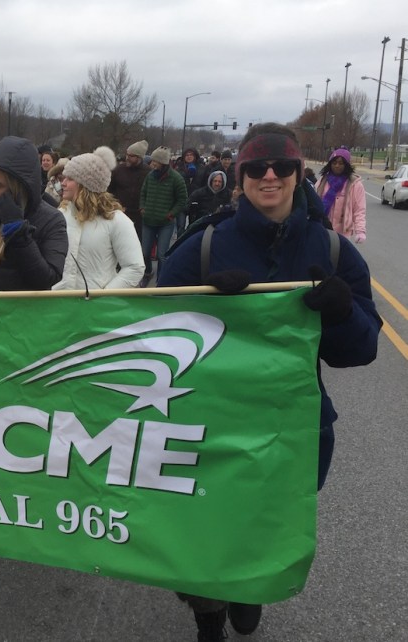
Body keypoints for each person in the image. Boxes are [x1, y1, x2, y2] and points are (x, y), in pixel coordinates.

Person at [158, 123, 381, 642]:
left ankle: (249, 589)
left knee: (264, 526)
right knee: (207, 524)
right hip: (210, 420)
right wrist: (201, 300)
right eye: (256, 167)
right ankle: (206, 610)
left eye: (282, 166)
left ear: (299, 173)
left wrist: (342, 313)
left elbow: (364, 349)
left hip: (293, 426)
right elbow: (151, 321)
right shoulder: (207, 245)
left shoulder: (332, 251)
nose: (270, 176)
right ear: (241, 176)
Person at [0, 135, 67, 290]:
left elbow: (48, 279)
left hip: (23, 313)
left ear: (19, 189)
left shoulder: (52, 221)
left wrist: (18, 233)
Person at [52, 146, 144, 290]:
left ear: (86, 185)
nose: (62, 183)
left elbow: (134, 267)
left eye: (70, 179)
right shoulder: (60, 215)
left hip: (96, 307)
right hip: (59, 304)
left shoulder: (116, 220)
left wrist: (103, 296)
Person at [138, 146, 187, 287]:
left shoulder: (176, 178)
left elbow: (182, 199)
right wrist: (142, 207)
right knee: (145, 252)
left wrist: (172, 214)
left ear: (163, 163)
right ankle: (148, 273)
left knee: (162, 255)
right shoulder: (150, 176)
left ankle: (162, 279)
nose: (152, 164)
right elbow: (143, 192)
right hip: (148, 221)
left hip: (165, 223)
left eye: (155, 161)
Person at [315, 148, 366, 244]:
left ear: (346, 165)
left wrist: (360, 231)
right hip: (322, 230)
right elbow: (314, 204)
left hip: (343, 234)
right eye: (334, 163)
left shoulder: (354, 184)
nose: (337, 166)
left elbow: (359, 211)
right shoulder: (322, 181)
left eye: (341, 163)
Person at [109, 139, 151, 241]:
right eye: (127, 154)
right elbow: (109, 189)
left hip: (139, 215)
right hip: (120, 212)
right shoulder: (118, 170)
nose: (127, 158)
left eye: (131, 156)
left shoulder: (148, 172)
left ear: (139, 157)